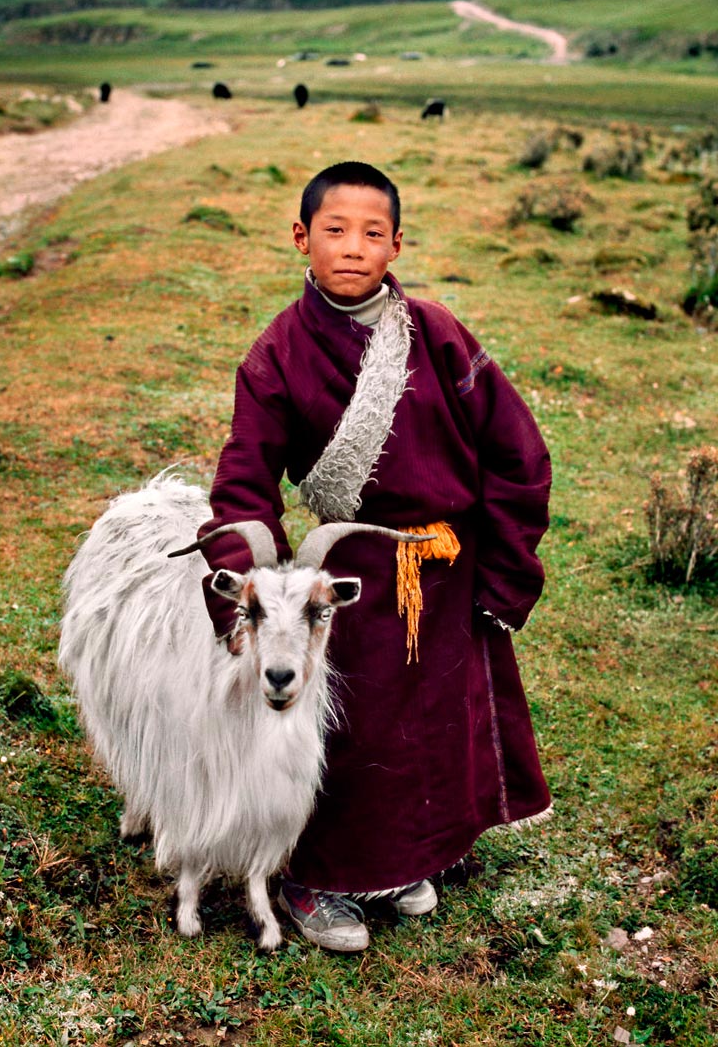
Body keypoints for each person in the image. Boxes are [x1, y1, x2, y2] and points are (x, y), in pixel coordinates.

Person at [198, 160, 552, 952]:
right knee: (352, 731)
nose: (352, 248)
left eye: (371, 232)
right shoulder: (278, 355)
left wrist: (505, 569)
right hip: (352, 577)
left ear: (398, 243)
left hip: (449, 567)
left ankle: (405, 862)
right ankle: (314, 879)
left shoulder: (440, 333)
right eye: (334, 230)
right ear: (301, 238)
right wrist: (258, 598)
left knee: (437, 722)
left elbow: (516, 451)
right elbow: (244, 483)